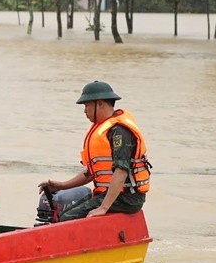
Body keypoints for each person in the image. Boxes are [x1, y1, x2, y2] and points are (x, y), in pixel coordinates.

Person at [39, 80, 151, 220]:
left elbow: (121, 171)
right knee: (62, 216)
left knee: (68, 218)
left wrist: (103, 208)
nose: (85, 110)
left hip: (127, 198)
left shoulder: (119, 131)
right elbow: (92, 172)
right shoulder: (103, 128)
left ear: (100, 103)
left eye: (87, 105)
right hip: (110, 195)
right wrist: (62, 185)